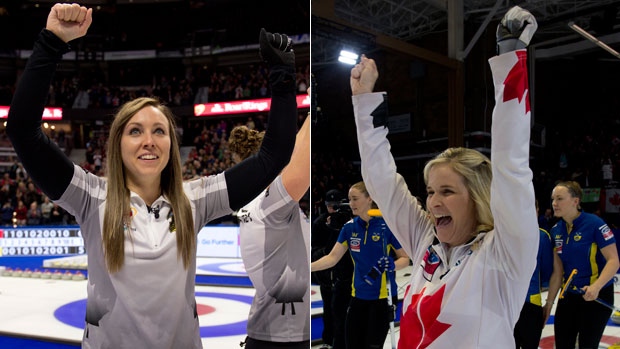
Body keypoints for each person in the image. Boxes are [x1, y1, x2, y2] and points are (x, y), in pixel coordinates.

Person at [6, 3, 297, 349]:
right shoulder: (89, 196)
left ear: (172, 145)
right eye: (135, 131)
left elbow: (273, 155)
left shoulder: (196, 200)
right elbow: (23, 130)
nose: (148, 141)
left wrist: (282, 81)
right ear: (117, 144)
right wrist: (52, 41)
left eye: (159, 130)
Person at [348, 6, 539, 348]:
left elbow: (512, 167)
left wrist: (510, 60)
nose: (433, 202)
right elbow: (381, 181)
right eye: (432, 190)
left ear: (479, 196)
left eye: (448, 191)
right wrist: (363, 102)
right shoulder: (425, 241)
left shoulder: (506, 253)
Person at [229, 103, 310, 349]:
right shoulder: (269, 205)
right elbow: (300, 165)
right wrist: (312, 111)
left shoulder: (252, 205)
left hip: (270, 331)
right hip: (284, 335)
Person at [311, 181, 409, 349]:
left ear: (369, 198)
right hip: (357, 297)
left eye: (355, 199)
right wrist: (307, 267)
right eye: (349, 199)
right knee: (352, 344)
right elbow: (332, 258)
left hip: (382, 298)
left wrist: (391, 265)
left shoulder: (387, 226)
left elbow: (405, 259)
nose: (351, 204)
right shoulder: (349, 228)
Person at [551, 180, 620, 349]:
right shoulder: (556, 230)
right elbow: (558, 271)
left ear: (575, 201)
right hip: (569, 296)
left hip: (597, 296)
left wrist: (596, 287)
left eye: (559, 198)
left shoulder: (595, 224)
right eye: (553, 199)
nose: (554, 203)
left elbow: (614, 261)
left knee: (587, 345)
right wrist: (549, 303)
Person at [513, 200, 563, 349]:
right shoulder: (542, 236)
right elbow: (547, 272)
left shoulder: (501, 235)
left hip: (507, 303)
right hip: (531, 302)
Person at [311, 189, 354, 349]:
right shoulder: (320, 223)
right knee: (329, 311)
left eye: (336, 206)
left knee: (345, 313)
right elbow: (316, 250)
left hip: (347, 275)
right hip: (327, 276)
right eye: (330, 206)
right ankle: (329, 342)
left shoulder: (350, 223)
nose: (333, 210)